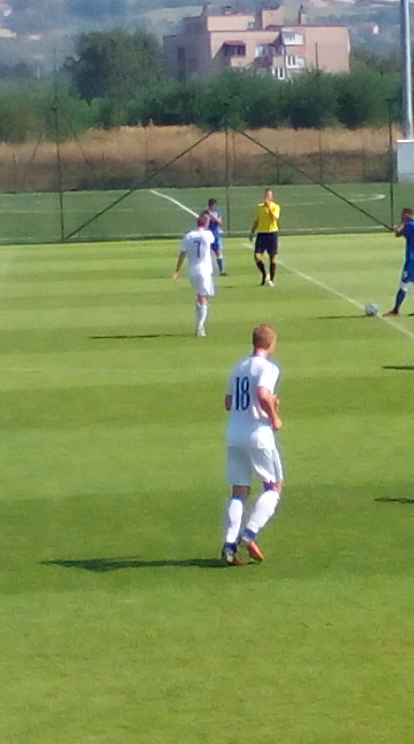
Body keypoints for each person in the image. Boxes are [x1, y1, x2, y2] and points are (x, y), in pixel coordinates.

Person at [221, 324, 284, 565]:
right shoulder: (268, 367)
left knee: (239, 491)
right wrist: (274, 416)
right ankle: (249, 533)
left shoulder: (238, 366)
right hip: (258, 433)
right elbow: (262, 393)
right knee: (273, 486)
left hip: (234, 433)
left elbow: (228, 403)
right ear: (271, 343)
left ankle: (229, 545)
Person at [172, 212, 216, 337]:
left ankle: (198, 324)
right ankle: (200, 327)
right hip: (204, 270)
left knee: (199, 296)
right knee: (203, 298)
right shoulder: (208, 234)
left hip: (192, 270)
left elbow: (182, 254)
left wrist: (177, 271)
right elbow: (212, 242)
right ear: (206, 223)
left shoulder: (188, 236)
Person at [385, 208, 414, 316]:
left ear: (407, 215)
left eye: (403, 216)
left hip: (412, 258)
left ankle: (396, 309)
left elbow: (397, 233)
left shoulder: (410, 225)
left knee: (404, 283)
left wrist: (401, 223)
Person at [249, 188, 281, 287]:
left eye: (269, 195)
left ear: (271, 197)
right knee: (257, 256)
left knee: (273, 258)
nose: (267, 197)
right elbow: (257, 220)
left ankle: (271, 280)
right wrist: (252, 231)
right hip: (262, 234)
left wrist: (269, 208)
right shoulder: (259, 207)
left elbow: (275, 218)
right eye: (266, 195)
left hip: (272, 233)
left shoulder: (275, 207)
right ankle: (264, 274)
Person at [205, 197, 226, 275]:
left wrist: (213, 217)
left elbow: (220, 222)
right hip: (207, 235)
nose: (213, 206)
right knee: (206, 253)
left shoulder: (217, 212)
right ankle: (208, 271)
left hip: (215, 234)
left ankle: (221, 271)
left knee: (218, 252)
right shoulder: (205, 213)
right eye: (211, 205)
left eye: (213, 205)